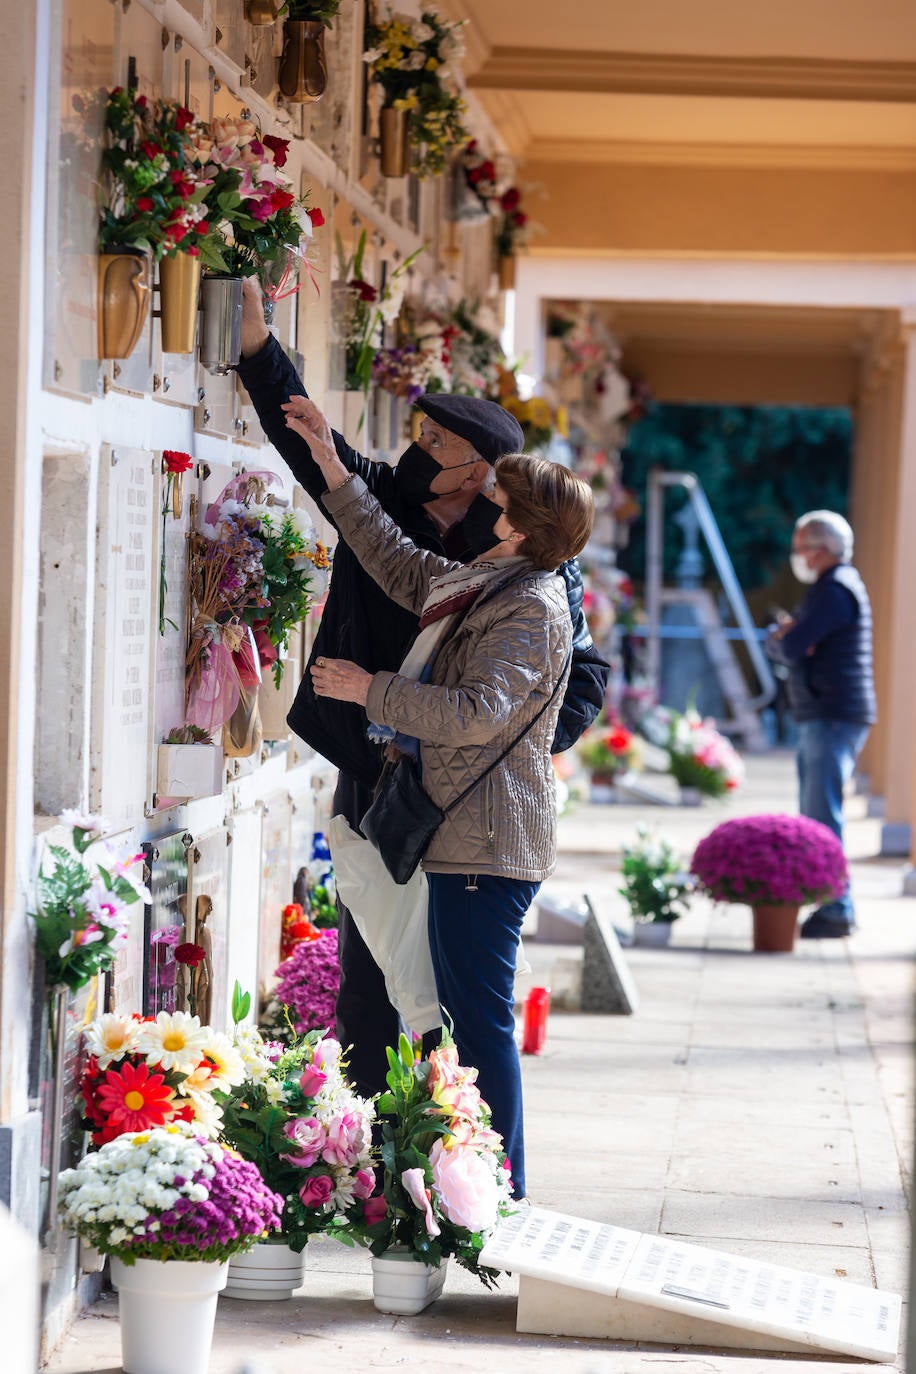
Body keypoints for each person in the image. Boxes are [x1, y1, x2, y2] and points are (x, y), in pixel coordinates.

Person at [236, 283, 609, 1097]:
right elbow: (319, 459)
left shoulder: (536, 571)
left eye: (434, 440)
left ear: (481, 476)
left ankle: (455, 1156)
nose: (416, 446)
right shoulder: (399, 503)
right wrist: (260, 347)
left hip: (466, 791)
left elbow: (581, 679)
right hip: (374, 768)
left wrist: (508, 751)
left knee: (451, 996)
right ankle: (371, 1145)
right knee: (369, 973)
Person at [285, 394, 594, 1198]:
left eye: (498, 500)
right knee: (453, 1019)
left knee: (476, 1023)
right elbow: (393, 558)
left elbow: (476, 714)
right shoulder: (488, 580)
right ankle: (466, 1181)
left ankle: (501, 1190)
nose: (483, 501)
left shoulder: (530, 606)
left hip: (484, 848)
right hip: (464, 839)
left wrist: (368, 689)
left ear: (519, 527)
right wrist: (329, 461)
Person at [765, 510, 876, 938]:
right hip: (827, 712)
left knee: (822, 815)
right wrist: (792, 641)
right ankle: (831, 903)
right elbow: (795, 645)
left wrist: (787, 638)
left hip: (831, 714)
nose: (797, 557)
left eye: (800, 548)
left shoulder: (834, 590)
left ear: (821, 550)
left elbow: (790, 645)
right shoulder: (834, 588)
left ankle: (837, 908)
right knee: (816, 814)